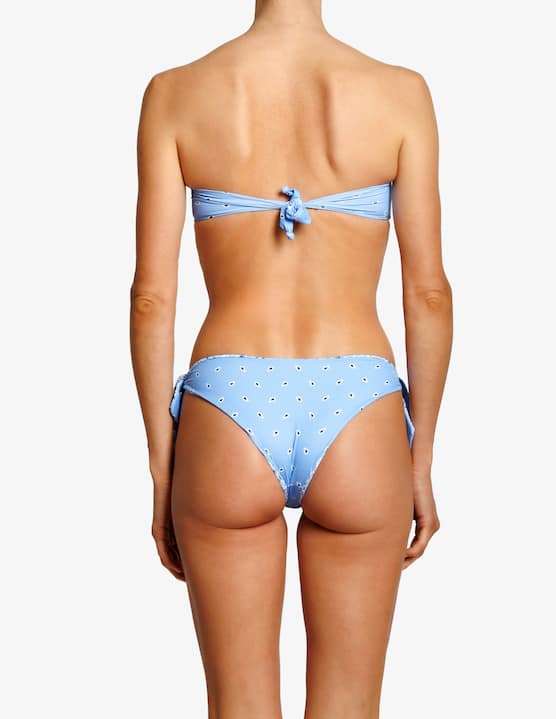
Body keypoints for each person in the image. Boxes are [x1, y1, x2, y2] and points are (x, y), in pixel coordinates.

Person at [130, 1, 452, 716]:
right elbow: (427, 293)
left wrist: (162, 468)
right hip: (358, 404)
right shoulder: (401, 92)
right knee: (350, 705)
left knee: (237, 706)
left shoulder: (175, 92)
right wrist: (420, 457)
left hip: (228, 405)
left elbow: (151, 297)